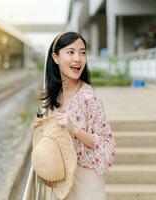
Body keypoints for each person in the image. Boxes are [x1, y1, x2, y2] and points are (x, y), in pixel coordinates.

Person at [32, 32, 116, 200]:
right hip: (59, 181)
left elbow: (108, 144)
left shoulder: (89, 98)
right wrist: (42, 127)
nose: (78, 58)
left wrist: (74, 129)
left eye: (82, 52)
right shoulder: (53, 96)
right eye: (71, 52)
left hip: (86, 184)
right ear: (56, 58)